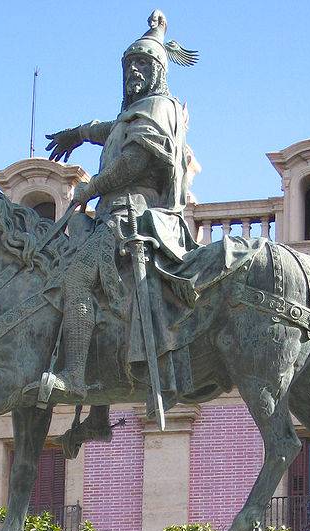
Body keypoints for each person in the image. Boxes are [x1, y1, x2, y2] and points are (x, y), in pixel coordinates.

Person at [33, 11, 199, 403]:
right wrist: (77, 133)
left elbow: (135, 162)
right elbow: (108, 128)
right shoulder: (135, 113)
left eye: (142, 64)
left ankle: (74, 377)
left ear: (159, 70)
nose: (133, 72)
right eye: (128, 66)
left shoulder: (158, 107)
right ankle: (100, 407)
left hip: (131, 216)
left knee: (76, 280)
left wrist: (90, 187)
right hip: (117, 215)